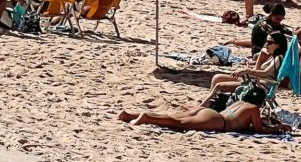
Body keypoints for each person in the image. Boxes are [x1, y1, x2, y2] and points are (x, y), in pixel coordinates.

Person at [117, 87, 288, 134]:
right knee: (177, 123)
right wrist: (276, 128)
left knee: (172, 117)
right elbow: (258, 129)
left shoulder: (241, 102)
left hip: (210, 112)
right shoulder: (253, 108)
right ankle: (146, 118)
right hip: (218, 122)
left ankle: (128, 115)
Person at [204, 30, 289, 104]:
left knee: (219, 86)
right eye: (266, 41)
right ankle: (210, 102)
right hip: (255, 81)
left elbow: (265, 73)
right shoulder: (272, 56)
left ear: (278, 45)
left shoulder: (279, 58)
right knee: (217, 77)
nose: (266, 44)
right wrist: (260, 56)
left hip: (261, 87)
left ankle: (204, 106)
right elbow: (257, 69)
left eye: (269, 42)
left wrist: (247, 70)